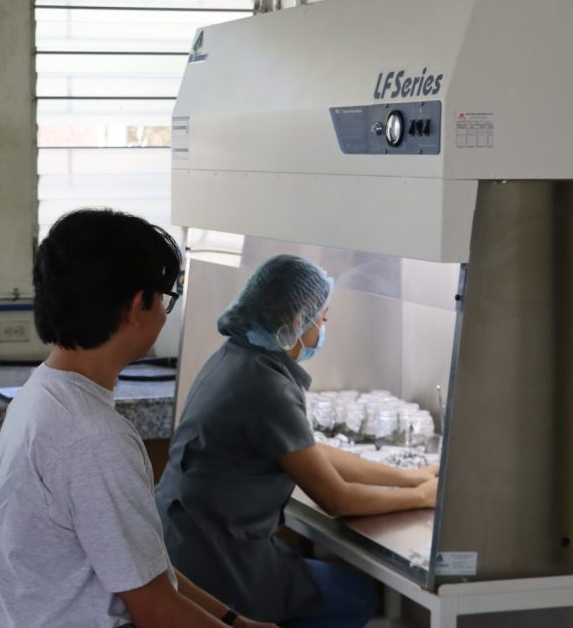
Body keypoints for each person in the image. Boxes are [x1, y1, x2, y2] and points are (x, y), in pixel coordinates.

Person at [0, 208, 279, 628]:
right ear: (138, 305)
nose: (165, 312)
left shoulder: (40, 393)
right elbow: (155, 609)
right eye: (166, 298)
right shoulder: (95, 438)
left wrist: (233, 620)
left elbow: (147, 572)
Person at [155, 254, 439, 628]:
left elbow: (309, 451)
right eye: (322, 320)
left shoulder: (236, 357)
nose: (323, 329)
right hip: (220, 564)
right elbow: (337, 500)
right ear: (294, 323)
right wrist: (422, 497)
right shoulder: (265, 388)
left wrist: (410, 477)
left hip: (185, 545)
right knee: (357, 596)